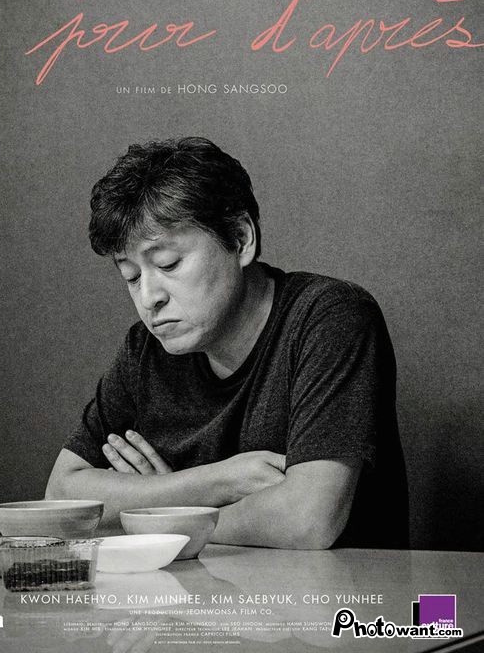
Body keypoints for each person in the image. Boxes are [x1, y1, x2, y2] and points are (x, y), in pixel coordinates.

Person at [46, 137, 409, 549]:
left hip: (341, 589)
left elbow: (307, 520)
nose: (148, 298)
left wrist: (156, 515)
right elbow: (60, 498)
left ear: (240, 239)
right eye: (131, 275)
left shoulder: (329, 318)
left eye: (168, 263)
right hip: (197, 588)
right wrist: (216, 482)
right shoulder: (144, 350)